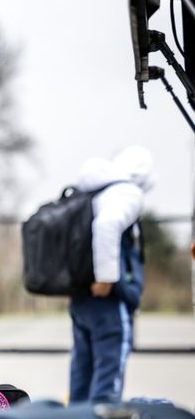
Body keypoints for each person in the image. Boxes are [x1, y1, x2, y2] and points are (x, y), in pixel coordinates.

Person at [69, 145, 154, 403]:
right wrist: (106, 279)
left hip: (81, 296)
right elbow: (107, 225)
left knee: (82, 370)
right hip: (108, 300)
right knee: (109, 375)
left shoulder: (94, 189)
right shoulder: (127, 192)